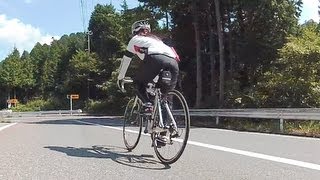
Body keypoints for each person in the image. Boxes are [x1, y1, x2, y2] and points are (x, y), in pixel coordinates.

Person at [117, 19, 180, 111]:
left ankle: (147, 104)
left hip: (155, 58)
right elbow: (176, 57)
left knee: (138, 83)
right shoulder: (159, 41)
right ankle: (168, 122)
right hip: (173, 62)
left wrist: (120, 77)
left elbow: (126, 60)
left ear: (135, 31)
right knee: (166, 94)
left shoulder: (135, 39)